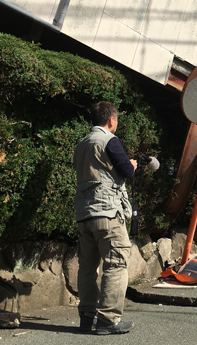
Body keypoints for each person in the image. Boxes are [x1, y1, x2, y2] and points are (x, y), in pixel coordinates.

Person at [73, 101, 137, 335]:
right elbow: (127, 172)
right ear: (111, 120)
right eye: (116, 120)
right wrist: (131, 164)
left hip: (84, 213)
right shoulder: (109, 140)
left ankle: (86, 317)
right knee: (116, 264)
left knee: (87, 268)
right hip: (107, 212)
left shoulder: (81, 145)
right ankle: (108, 320)